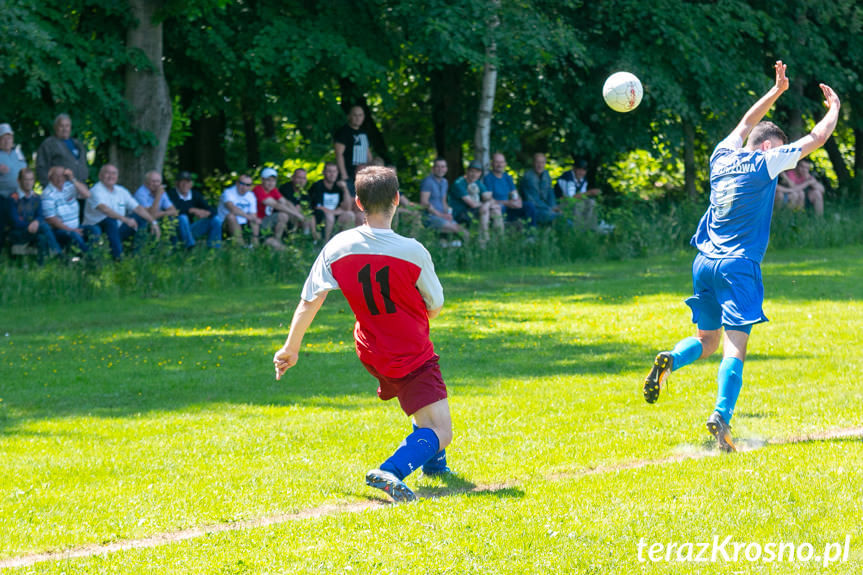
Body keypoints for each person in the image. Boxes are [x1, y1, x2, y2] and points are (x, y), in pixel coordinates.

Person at [642, 61, 840, 452]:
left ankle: (671, 359)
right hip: (738, 266)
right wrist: (834, 108)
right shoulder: (764, 162)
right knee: (734, 347)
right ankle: (722, 416)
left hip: (704, 263)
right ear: (769, 147)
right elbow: (815, 138)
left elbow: (745, 123)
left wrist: (776, 90)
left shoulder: (721, 155)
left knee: (706, 340)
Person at [273, 165, 452, 503]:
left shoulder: (338, 246)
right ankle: (391, 471)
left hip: (370, 348)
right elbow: (436, 303)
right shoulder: (413, 250)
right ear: (397, 199)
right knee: (442, 430)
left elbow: (309, 300)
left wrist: (290, 348)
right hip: (410, 348)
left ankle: (435, 465)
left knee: (423, 404)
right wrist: (416, 319)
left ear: (357, 202)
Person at [82, 164, 160, 260]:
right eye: (107, 173)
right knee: (110, 221)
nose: (111, 176)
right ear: (100, 176)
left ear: (117, 177)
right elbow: (105, 209)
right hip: (95, 226)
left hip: (116, 229)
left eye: (114, 173)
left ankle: (138, 256)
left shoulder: (121, 191)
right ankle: (118, 258)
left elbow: (138, 208)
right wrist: (126, 220)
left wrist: (153, 222)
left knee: (141, 219)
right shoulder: (96, 190)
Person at [8, 168, 61, 262]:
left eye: (31, 179)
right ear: (19, 181)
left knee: (42, 237)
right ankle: (58, 254)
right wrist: (31, 225)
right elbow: (14, 222)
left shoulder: (36, 197)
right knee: (44, 226)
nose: (28, 182)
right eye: (25, 179)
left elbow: (40, 216)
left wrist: (36, 222)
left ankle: (40, 266)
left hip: (34, 231)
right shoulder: (13, 198)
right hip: (18, 233)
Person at [42, 165, 92, 254]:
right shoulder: (47, 194)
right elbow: (51, 219)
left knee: (94, 230)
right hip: (60, 230)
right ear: (50, 178)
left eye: (62, 176)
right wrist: (71, 230)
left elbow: (87, 194)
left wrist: (72, 178)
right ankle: (89, 260)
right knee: (74, 235)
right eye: (56, 176)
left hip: (76, 228)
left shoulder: (69, 186)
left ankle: (95, 254)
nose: (60, 179)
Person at [166, 171, 223, 249]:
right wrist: (191, 210)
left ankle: (214, 248)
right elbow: (174, 210)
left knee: (216, 220)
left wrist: (207, 213)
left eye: (188, 182)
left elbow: (211, 208)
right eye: (182, 182)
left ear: (191, 184)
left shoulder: (195, 194)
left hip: (191, 229)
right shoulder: (170, 194)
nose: (185, 185)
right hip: (176, 231)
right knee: (182, 217)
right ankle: (190, 247)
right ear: (177, 183)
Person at [449, 160, 502, 242]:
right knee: (484, 210)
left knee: (496, 210)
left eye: (477, 172)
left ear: (480, 173)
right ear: (467, 171)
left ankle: (499, 239)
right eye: (472, 171)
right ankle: (483, 240)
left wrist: (488, 204)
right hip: (459, 214)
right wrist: (487, 205)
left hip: (473, 211)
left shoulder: (477, 183)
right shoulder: (459, 183)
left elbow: (488, 198)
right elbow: (472, 204)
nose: (474, 174)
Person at [419, 157, 467, 241]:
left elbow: (443, 201)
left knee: (461, 230)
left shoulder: (445, 182)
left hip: (442, 216)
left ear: (446, 169)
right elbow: (424, 203)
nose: (440, 169)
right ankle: (470, 249)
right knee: (460, 231)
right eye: (438, 166)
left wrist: (448, 214)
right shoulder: (428, 181)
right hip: (430, 217)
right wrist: (441, 215)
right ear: (433, 168)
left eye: (443, 167)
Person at [35, 114, 89, 187]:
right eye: (61, 126)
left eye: (67, 126)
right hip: (61, 190)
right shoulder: (49, 144)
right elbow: (41, 168)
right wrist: (49, 188)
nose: (65, 129)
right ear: (55, 127)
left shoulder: (78, 143)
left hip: (80, 188)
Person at [308, 162, 356, 243]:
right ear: (323, 173)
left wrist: (345, 189)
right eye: (329, 171)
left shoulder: (339, 186)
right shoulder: (317, 186)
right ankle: (326, 244)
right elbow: (317, 206)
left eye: (334, 171)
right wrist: (336, 212)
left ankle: (345, 244)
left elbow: (347, 207)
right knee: (330, 216)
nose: (332, 174)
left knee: (350, 215)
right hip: (320, 218)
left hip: (335, 216)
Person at [483, 152, 535, 225]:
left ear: (505, 164)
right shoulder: (488, 178)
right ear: (492, 164)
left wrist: (518, 201)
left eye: (501, 162)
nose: (499, 165)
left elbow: (514, 193)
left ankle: (531, 233)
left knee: (529, 206)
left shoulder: (507, 177)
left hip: (509, 207)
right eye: (497, 162)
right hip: (498, 207)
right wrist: (507, 203)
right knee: (500, 207)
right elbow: (490, 199)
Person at [333, 105, 373, 198]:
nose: (358, 118)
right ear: (349, 116)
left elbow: (367, 152)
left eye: (360, 115)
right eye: (355, 115)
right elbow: (339, 154)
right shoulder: (343, 132)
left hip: (363, 174)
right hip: (349, 173)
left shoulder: (364, 132)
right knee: (352, 200)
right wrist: (344, 175)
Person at [252, 167, 293, 251]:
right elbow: (276, 205)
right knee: (283, 214)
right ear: (262, 180)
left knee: (284, 215)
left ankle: (277, 240)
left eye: (273, 180)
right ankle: (277, 245)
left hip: (267, 222)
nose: (271, 183)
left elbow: (285, 202)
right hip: (257, 222)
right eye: (268, 180)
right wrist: (296, 214)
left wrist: (299, 215)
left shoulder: (273, 190)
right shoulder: (258, 189)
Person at [555, 158, 601, 230]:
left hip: (571, 202)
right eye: (579, 169)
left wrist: (587, 194)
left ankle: (591, 229)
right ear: (574, 169)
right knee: (579, 204)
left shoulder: (583, 179)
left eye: (584, 170)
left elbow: (582, 196)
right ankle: (578, 230)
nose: (581, 172)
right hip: (559, 204)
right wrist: (590, 192)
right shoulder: (567, 178)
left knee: (592, 202)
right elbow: (571, 198)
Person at [134, 171, 180, 241]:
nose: (156, 184)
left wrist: (162, 213)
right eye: (153, 181)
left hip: (157, 219)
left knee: (176, 219)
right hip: (142, 221)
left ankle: (175, 248)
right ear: (146, 183)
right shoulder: (141, 193)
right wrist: (158, 196)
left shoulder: (160, 191)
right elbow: (151, 215)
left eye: (158, 181)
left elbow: (174, 211)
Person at [218, 175, 261, 246]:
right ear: (237, 183)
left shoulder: (251, 195)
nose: (244, 187)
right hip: (225, 225)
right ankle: (241, 247)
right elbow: (233, 209)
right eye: (242, 184)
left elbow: (253, 214)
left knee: (255, 221)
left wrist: (253, 219)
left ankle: (255, 246)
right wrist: (249, 217)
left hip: (244, 224)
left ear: (250, 186)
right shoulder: (228, 193)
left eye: (248, 185)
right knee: (231, 216)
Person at [519, 153, 559, 225]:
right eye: (538, 162)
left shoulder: (546, 175)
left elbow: (550, 192)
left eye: (542, 162)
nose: (540, 165)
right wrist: (550, 209)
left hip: (546, 208)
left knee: (563, 215)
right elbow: (532, 200)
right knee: (557, 217)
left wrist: (553, 206)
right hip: (533, 209)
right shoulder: (528, 177)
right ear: (533, 163)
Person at [0, 123, 27, 199]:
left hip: (20, 195)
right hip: (4, 197)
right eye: (3, 138)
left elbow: (25, 168)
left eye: (9, 138)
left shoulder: (17, 152)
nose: (7, 141)